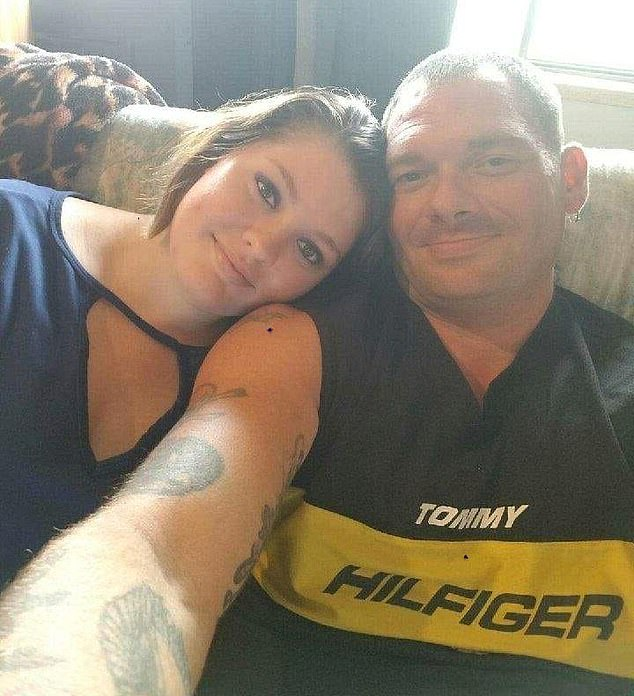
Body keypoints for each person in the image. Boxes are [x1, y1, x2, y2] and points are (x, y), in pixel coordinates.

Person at [1, 50, 633, 696]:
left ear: (570, 179)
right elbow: (159, 557)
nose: (447, 202)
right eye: (413, 174)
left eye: (493, 161)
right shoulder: (293, 343)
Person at [0, 86, 388, 590]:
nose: (260, 246)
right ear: (217, 152)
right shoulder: (11, 231)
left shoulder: (260, 387)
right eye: (267, 190)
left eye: (309, 250)